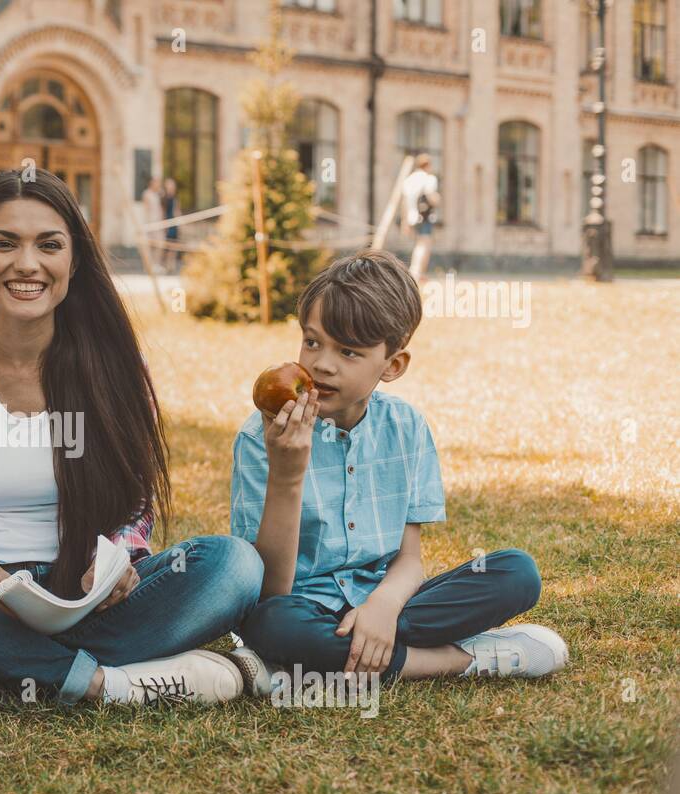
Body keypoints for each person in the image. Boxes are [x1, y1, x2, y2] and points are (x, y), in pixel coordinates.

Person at [0, 170, 270, 707]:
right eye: (4, 243)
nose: (27, 264)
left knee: (235, 566)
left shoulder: (113, 363)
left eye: (49, 245)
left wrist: (118, 559)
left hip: (88, 594)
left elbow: (135, 499)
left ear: (73, 261)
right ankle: (103, 683)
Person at [231, 249, 567, 685]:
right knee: (272, 624)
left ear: (392, 365)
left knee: (516, 572)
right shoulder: (263, 438)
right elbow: (270, 591)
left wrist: (383, 609)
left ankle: (319, 658)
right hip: (299, 606)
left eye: (349, 352)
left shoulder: (406, 428)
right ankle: (463, 660)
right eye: (312, 341)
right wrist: (288, 474)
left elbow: (409, 560)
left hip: (391, 605)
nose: (321, 363)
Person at [401, 153, 440, 283]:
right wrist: (437, 199)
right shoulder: (429, 179)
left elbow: (405, 202)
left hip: (412, 217)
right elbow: (431, 196)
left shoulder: (409, 180)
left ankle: (416, 271)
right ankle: (416, 272)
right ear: (427, 165)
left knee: (418, 243)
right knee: (423, 244)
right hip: (424, 217)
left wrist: (404, 221)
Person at [140, 176, 166, 273]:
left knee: (160, 244)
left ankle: (156, 264)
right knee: (149, 246)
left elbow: (161, 208)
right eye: (156, 182)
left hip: (159, 223)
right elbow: (146, 210)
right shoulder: (147, 194)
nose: (158, 185)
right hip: (150, 223)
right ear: (152, 183)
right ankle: (149, 266)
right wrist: (147, 225)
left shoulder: (159, 194)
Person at [161, 177, 182, 274]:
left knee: (174, 245)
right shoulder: (165, 198)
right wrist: (164, 225)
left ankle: (171, 265)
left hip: (174, 223)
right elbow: (164, 212)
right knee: (168, 246)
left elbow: (177, 210)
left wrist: (180, 222)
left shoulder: (175, 198)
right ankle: (166, 265)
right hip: (168, 223)